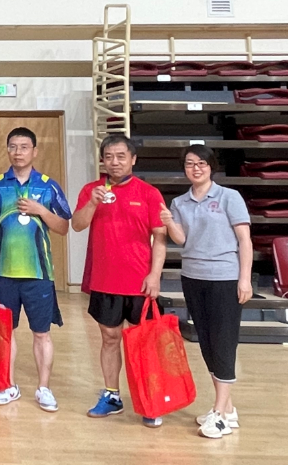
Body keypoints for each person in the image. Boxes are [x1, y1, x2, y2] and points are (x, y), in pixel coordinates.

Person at [72, 133, 167, 428]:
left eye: (121, 156)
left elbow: (160, 239)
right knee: (109, 338)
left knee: (143, 343)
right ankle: (112, 395)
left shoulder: (149, 193)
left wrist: (155, 274)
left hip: (140, 282)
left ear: (133, 159)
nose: (114, 162)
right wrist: (92, 203)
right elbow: (77, 225)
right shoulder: (91, 190)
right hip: (105, 281)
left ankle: (149, 399)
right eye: (109, 157)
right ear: (102, 160)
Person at [160, 145, 252, 439]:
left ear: (212, 167)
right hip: (193, 277)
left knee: (224, 343)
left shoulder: (229, 197)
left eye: (201, 163)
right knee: (207, 343)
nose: (196, 168)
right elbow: (182, 239)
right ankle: (228, 409)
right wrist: (168, 221)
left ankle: (220, 414)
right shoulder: (180, 202)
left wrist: (245, 279)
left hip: (225, 277)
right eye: (190, 163)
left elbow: (245, 240)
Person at [0, 127, 72, 413]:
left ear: (34, 151)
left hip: (38, 274)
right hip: (3, 273)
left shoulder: (48, 186)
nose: (18, 152)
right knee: (5, 333)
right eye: (13, 146)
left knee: (41, 333)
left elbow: (63, 227)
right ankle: (8, 385)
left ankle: (44, 388)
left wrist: (40, 210)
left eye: (23, 147)